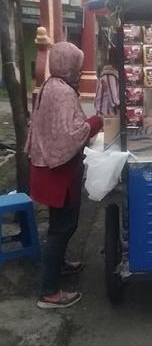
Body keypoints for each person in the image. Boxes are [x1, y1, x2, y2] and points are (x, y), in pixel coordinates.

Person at [25, 42, 103, 309]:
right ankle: (49, 292)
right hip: (57, 172)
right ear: (68, 65)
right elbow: (71, 135)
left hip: (49, 168)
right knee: (61, 228)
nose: (80, 72)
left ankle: (60, 265)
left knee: (62, 224)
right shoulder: (62, 92)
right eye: (78, 67)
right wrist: (97, 122)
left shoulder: (51, 85)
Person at [94, 46, 120, 116]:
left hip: (111, 115)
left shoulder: (114, 73)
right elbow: (114, 102)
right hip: (106, 115)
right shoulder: (109, 75)